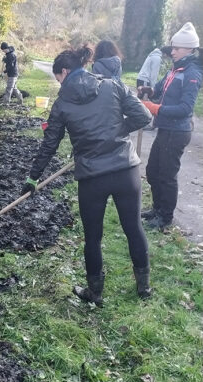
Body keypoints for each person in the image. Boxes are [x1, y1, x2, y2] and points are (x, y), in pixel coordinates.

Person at [21, 46, 152, 305]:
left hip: (93, 178)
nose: (59, 83)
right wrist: (116, 133)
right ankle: (144, 288)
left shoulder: (61, 105)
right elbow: (144, 116)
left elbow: (50, 144)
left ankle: (95, 293)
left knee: (93, 237)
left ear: (65, 71)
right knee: (134, 229)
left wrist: (32, 178)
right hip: (126, 171)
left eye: (58, 77)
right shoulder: (112, 85)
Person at [141, 22, 202, 230]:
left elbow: (185, 108)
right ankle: (157, 209)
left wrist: (155, 108)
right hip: (165, 129)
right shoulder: (174, 70)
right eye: (173, 48)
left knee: (166, 176)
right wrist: (148, 90)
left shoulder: (192, 73)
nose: (172, 52)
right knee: (152, 171)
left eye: (176, 48)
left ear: (190, 50)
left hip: (178, 132)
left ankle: (165, 217)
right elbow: (159, 91)